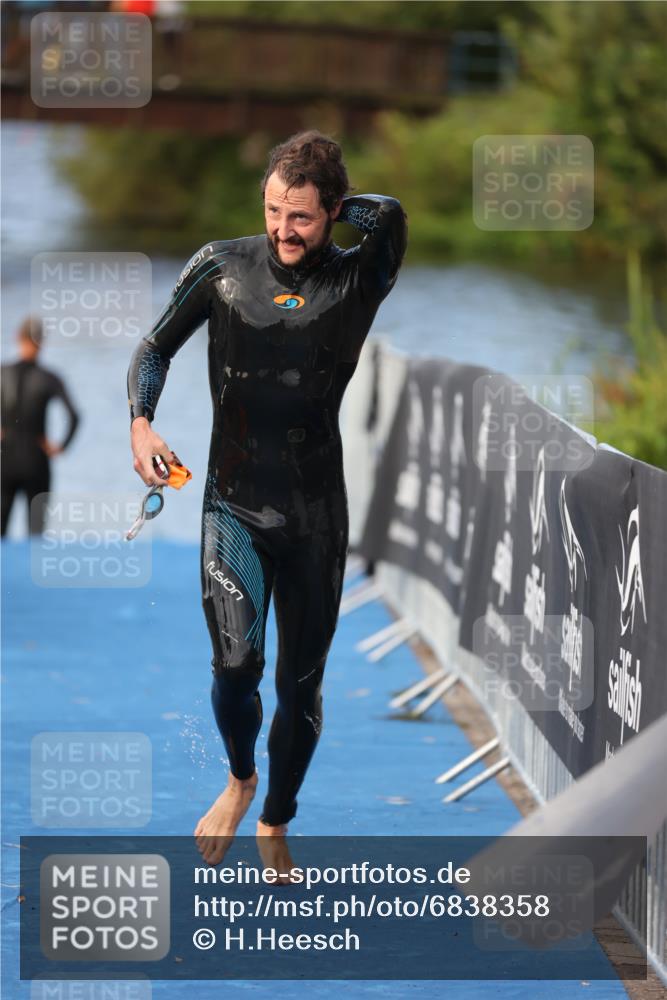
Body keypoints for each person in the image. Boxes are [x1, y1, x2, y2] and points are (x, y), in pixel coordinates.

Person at [126, 130, 407, 869]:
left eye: (303, 217)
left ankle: (275, 820)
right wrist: (141, 424)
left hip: (316, 518)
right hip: (233, 508)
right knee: (233, 668)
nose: (282, 230)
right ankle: (240, 778)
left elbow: (393, 215)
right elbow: (155, 348)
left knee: (300, 690)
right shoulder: (221, 267)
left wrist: (341, 206)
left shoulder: (358, 281)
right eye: (273, 210)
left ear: (335, 212)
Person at [1, 316, 80, 536]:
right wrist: (60, 447)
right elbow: (74, 416)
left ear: (18, 338)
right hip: (36, 461)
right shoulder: (48, 378)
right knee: (36, 535)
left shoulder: (2, 373)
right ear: (41, 342)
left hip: (4, 461)